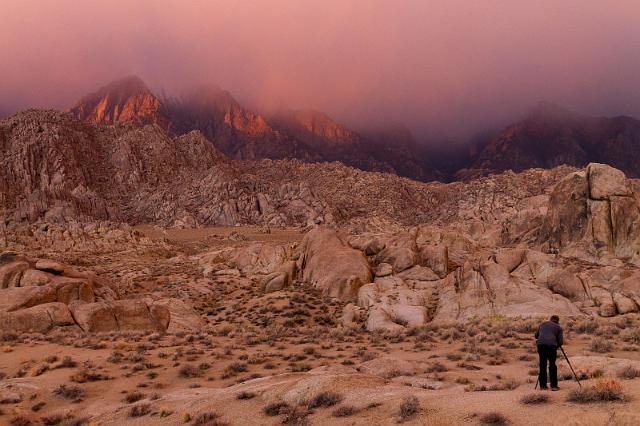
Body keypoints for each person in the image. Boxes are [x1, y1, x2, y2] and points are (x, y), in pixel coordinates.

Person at [535, 314, 563, 391]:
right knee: (552, 365)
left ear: (550, 319)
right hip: (551, 346)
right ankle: (554, 386)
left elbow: (536, 336)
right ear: (557, 321)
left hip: (541, 345)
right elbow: (560, 342)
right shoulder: (558, 327)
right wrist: (555, 346)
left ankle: (543, 386)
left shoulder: (542, 324)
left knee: (542, 364)